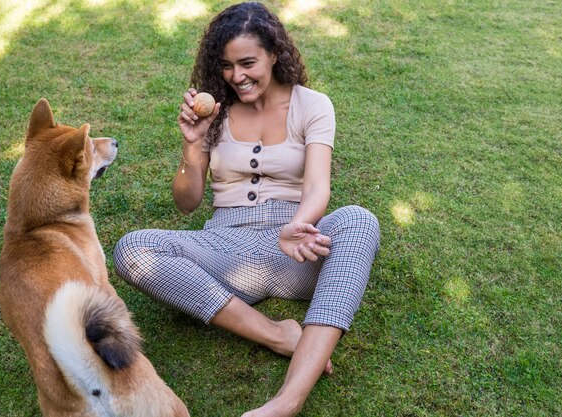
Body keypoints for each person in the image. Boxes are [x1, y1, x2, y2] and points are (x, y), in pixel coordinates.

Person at [113, 2, 380, 416]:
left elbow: (317, 186)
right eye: (226, 66)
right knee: (133, 248)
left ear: (275, 54)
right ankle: (278, 335)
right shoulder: (215, 112)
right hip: (225, 250)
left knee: (359, 221)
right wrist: (192, 145)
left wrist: (298, 224)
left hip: (294, 250)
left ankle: (286, 402)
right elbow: (186, 203)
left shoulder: (312, 105)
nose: (237, 77)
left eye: (248, 63)